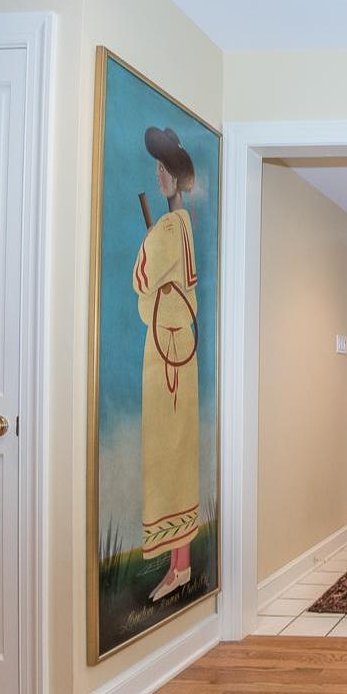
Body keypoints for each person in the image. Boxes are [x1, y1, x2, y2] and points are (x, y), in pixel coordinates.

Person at [131, 126, 200, 602]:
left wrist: (149, 248)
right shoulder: (185, 227)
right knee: (178, 446)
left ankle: (179, 565)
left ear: (174, 177)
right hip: (180, 347)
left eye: (163, 169)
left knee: (167, 448)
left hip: (165, 352)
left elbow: (142, 277)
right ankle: (181, 563)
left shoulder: (169, 229)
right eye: (157, 168)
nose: (158, 176)